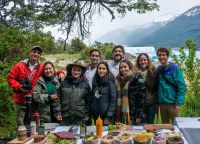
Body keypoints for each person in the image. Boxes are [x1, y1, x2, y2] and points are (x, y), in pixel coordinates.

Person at [7, 46, 65, 126]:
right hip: (21, 101)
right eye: (34, 52)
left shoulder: (41, 67)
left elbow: (50, 71)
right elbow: (10, 78)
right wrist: (19, 87)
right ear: (29, 53)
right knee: (21, 126)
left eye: (38, 53)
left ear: (40, 55)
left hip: (33, 103)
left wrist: (61, 72)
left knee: (33, 126)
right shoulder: (19, 66)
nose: (36, 54)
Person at [54, 61, 91, 125]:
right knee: (63, 134)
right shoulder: (63, 84)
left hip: (80, 118)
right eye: (74, 70)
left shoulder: (85, 85)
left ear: (81, 72)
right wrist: (58, 112)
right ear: (71, 71)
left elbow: (89, 101)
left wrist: (87, 113)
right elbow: (57, 99)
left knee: (80, 134)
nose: (76, 72)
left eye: (78, 70)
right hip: (65, 118)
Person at [156, 47, 186, 124]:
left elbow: (181, 86)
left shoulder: (175, 68)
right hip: (162, 104)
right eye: (159, 55)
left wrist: (179, 103)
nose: (161, 57)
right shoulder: (158, 69)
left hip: (173, 103)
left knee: (176, 126)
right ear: (157, 57)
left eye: (163, 55)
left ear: (167, 56)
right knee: (165, 126)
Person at [90, 61, 116, 125]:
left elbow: (113, 100)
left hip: (106, 116)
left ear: (107, 70)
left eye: (104, 69)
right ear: (97, 70)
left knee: (106, 134)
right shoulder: (95, 82)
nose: (101, 71)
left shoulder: (110, 82)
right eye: (100, 68)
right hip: (96, 115)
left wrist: (109, 116)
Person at [135, 53, 157, 124]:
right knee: (140, 124)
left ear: (148, 61)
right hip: (139, 104)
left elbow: (155, 86)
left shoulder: (153, 71)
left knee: (150, 123)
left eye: (145, 60)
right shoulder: (135, 73)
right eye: (141, 60)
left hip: (151, 102)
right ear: (138, 61)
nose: (143, 62)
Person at [115, 59, 137, 125]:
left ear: (129, 67)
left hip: (132, 109)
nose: (123, 69)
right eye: (121, 67)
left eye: (125, 67)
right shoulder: (118, 79)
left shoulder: (134, 78)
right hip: (121, 109)